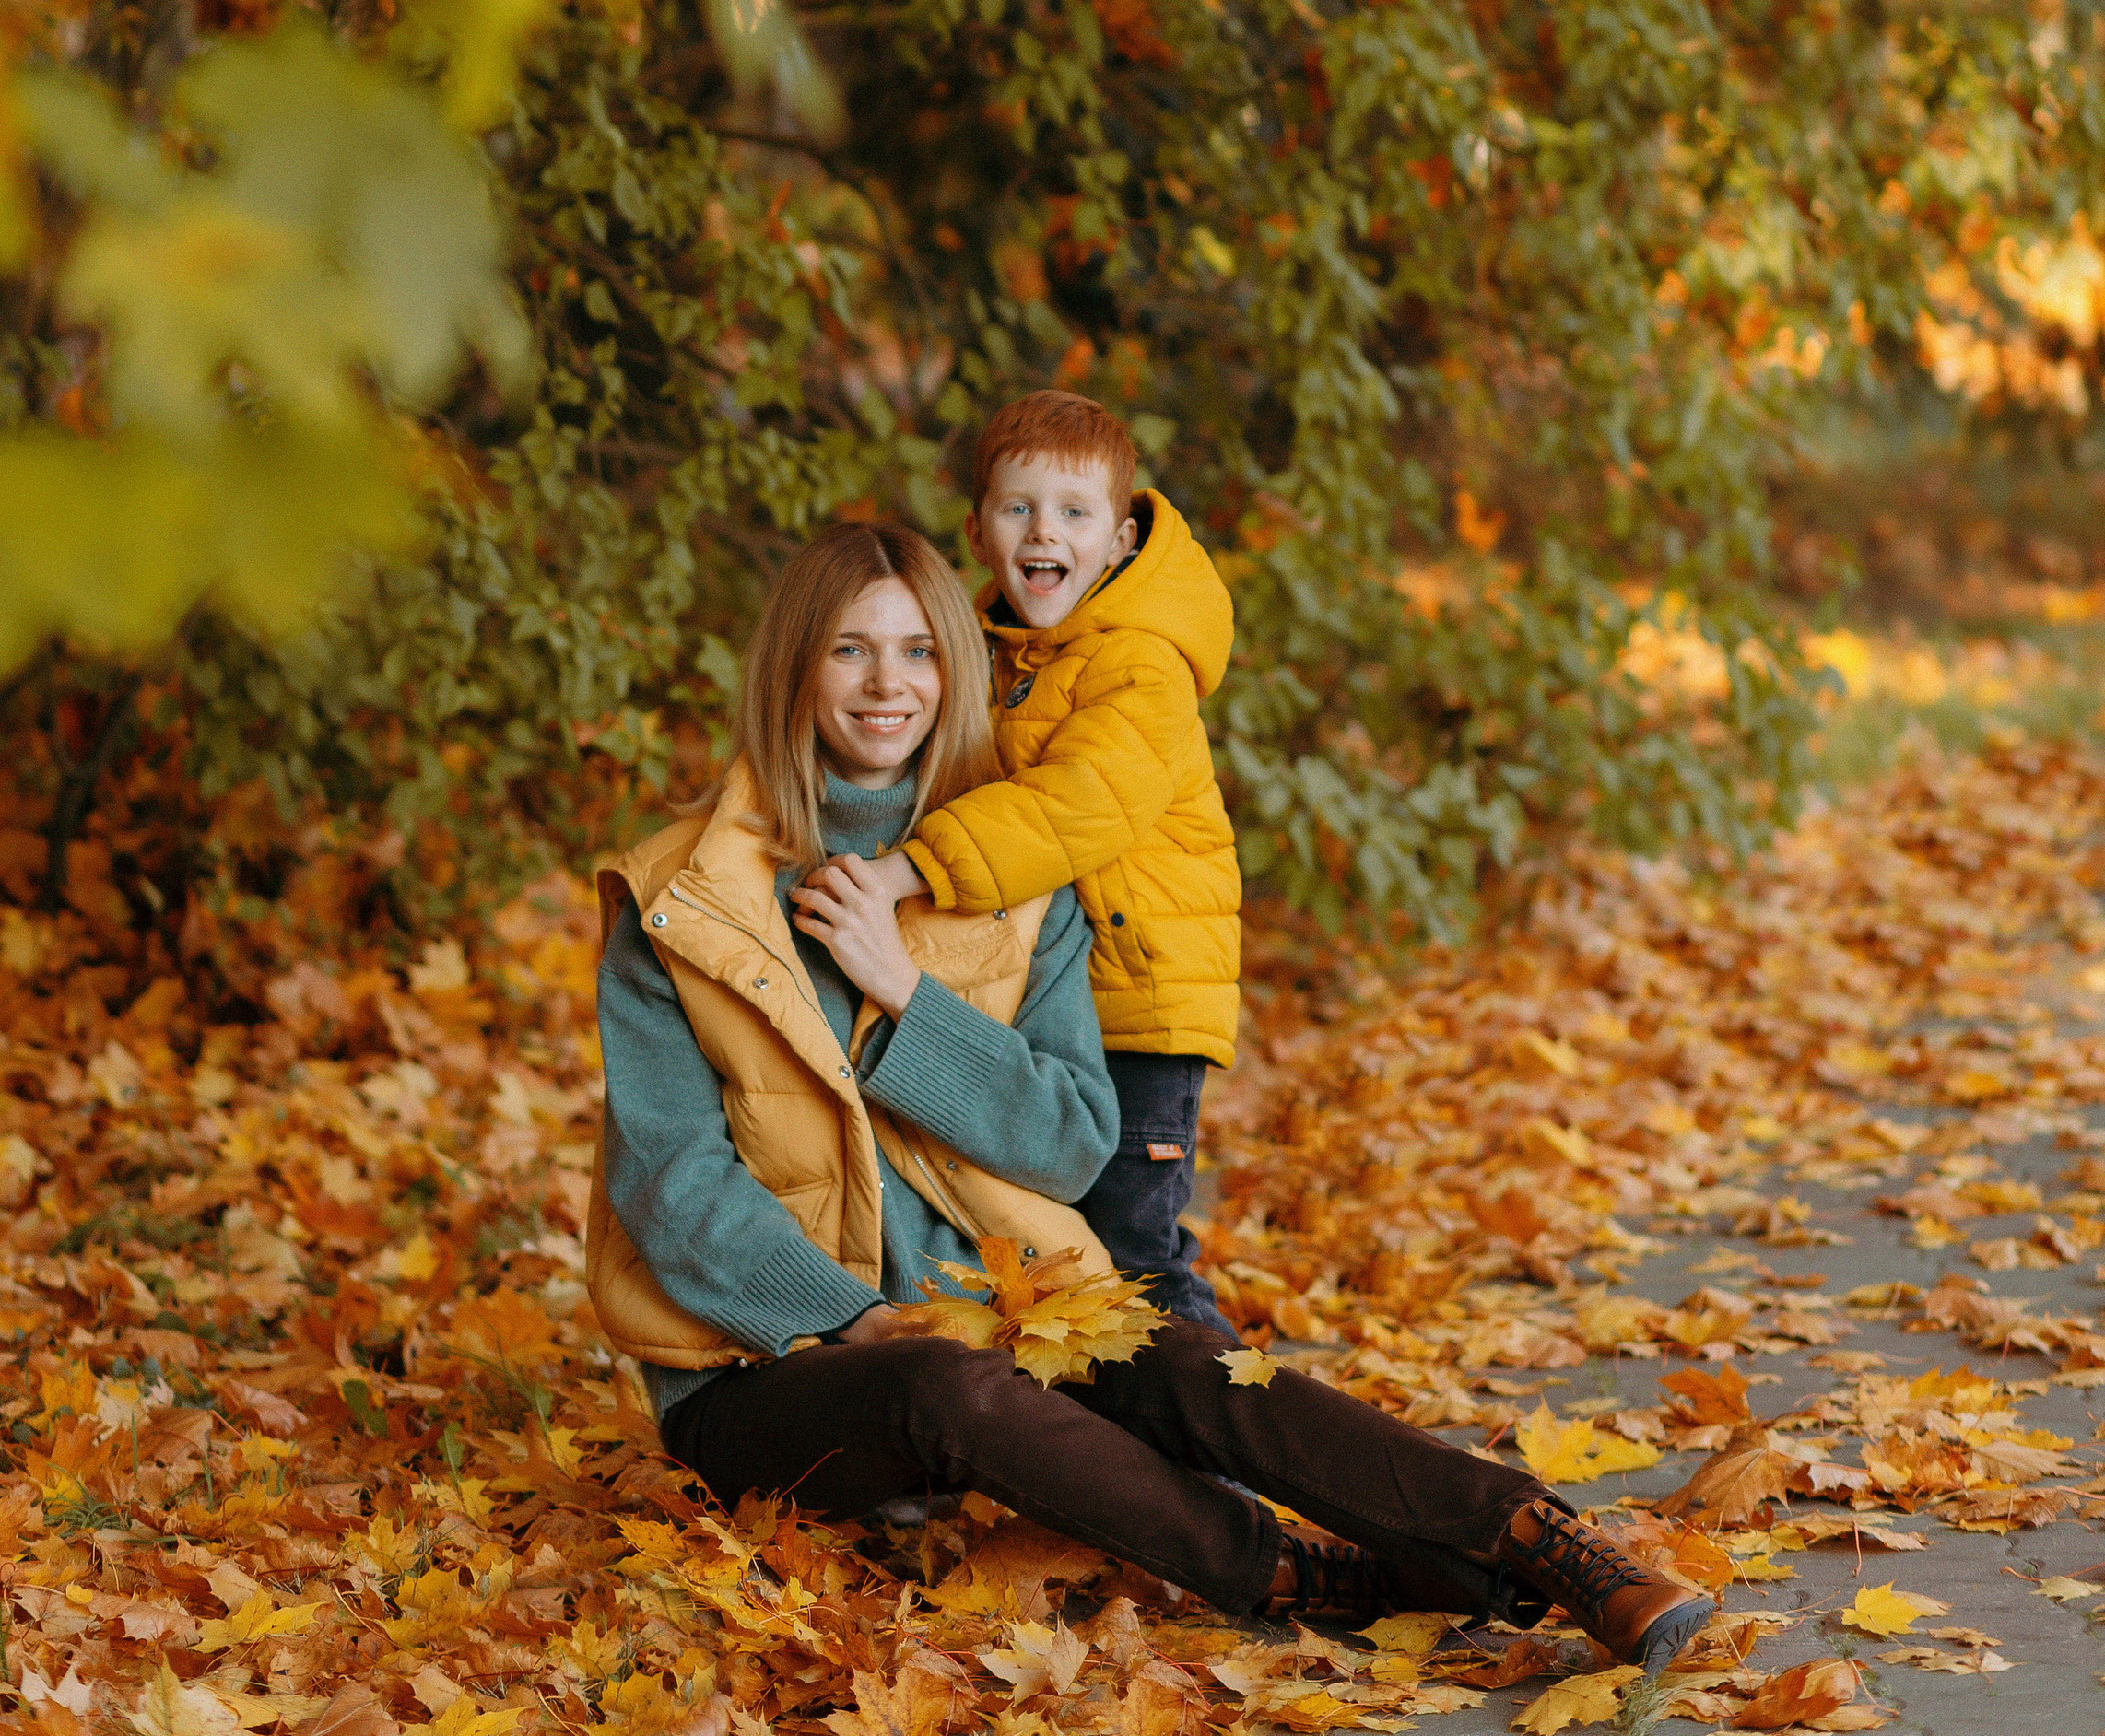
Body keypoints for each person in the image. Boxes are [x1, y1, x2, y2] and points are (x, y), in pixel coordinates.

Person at [586, 517, 1712, 1671]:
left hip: (991, 1317)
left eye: (919, 650)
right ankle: (1281, 1568)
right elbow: (673, 1182)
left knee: (1181, 1360)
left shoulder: (1012, 880)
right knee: (941, 1381)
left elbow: (1072, 1142)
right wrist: (852, 1321)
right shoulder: (682, 901)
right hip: (762, 1379)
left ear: (955, 669)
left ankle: (1540, 1539)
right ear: (794, 667)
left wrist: (907, 996)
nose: (889, 684)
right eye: (850, 650)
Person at [820, 393, 1241, 1324]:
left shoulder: (1140, 666)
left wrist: (904, 871)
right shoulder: (990, 654)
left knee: (1134, 1259)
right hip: (1041, 995)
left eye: (1074, 512)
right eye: (1019, 508)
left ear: (1119, 541)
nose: (1044, 531)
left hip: (1136, 1002)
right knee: (1046, 1245)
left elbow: (1074, 806)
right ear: (978, 531)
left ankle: (1229, 1416)